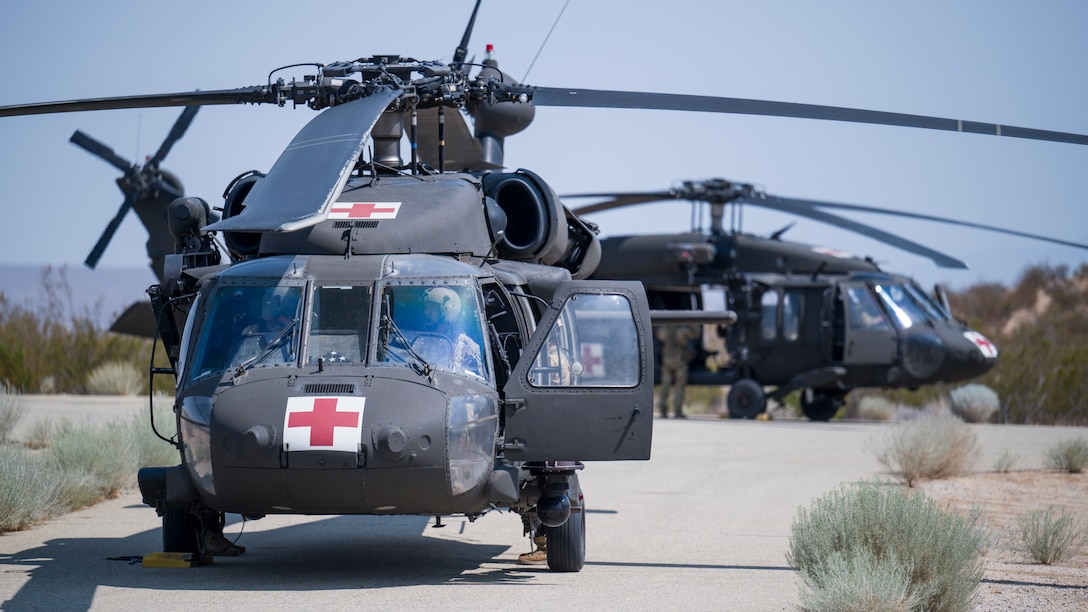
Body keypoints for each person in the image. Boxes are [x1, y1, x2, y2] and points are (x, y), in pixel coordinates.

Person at [415, 286, 483, 376]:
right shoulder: (420, 339)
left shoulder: (467, 347)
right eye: (426, 308)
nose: (426, 313)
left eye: (431, 309)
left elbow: (477, 379)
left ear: (446, 311)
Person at [655, 324, 700, 418]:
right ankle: (677, 411)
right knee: (679, 386)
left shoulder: (663, 330)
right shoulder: (681, 331)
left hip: (667, 360)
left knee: (665, 385)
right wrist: (695, 324)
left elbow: (658, 336)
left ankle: (663, 411)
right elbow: (696, 334)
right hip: (679, 361)